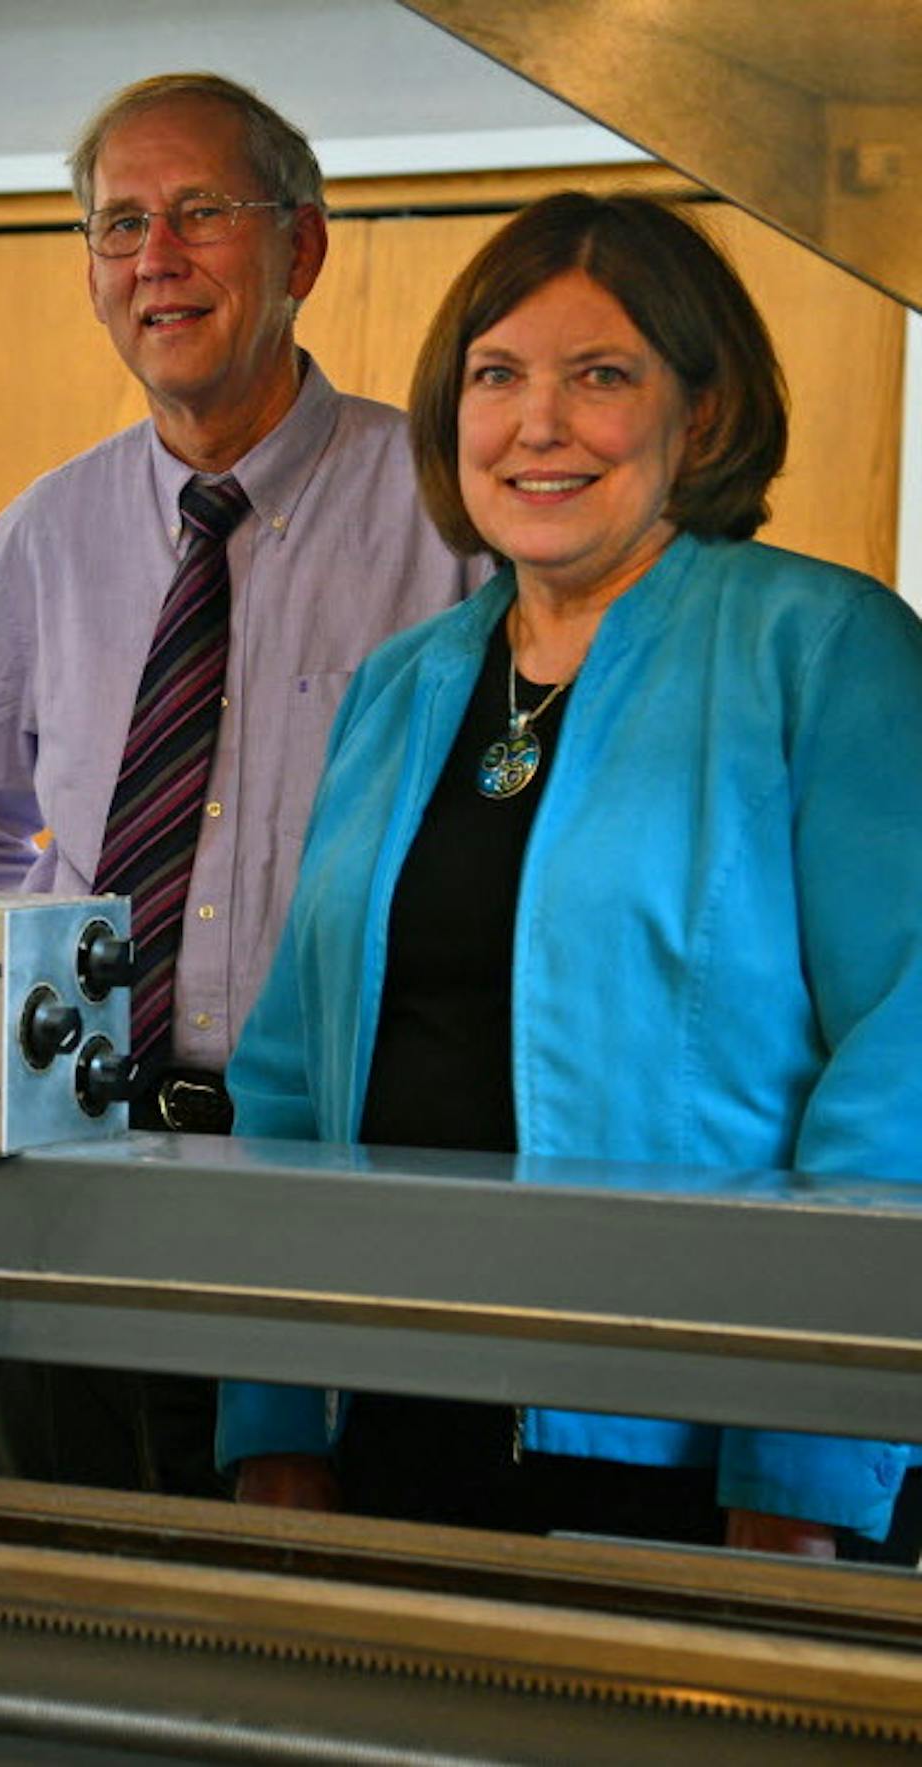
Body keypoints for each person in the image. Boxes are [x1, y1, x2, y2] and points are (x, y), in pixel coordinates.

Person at [219, 192, 922, 1558]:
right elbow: (293, 1082)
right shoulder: (401, 686)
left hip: (695, 1447)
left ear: (699, 418)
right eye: (497, 376)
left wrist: (807, 1464)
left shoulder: (827, 651)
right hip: (396, 1424)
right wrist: (277, 1418)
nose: (539, 424)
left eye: (601, 375)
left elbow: (904, 1082)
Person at [0, 73, 480, 1493]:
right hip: (73, 1189)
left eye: (201, 213)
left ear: (304, 249)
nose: (156, 257)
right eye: (119, 225)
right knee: (72, 1626)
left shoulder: (444, 514)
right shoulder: (45, 532)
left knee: (304, 1648)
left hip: (329, 1193)